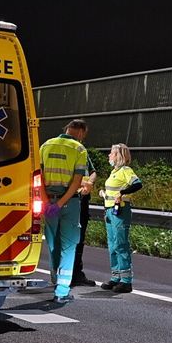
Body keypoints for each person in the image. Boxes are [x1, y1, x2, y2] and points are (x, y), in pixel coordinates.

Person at [39, 119, 91, 304]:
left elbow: (38, 176)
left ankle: (55, 280)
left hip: (48, 201)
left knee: (53, 243)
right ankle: (61, 291)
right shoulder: (79, 149)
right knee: (69, 246)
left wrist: (47, 202)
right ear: (81, 132)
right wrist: (60, 203)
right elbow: (77, 181)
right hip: (68, 202)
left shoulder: (46, 145)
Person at [100, 143, 143, 293]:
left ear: (119, 156)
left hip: (120, 211)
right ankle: (116, 277)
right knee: (112, 245)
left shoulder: (125, 170)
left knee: (120, 244)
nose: (109, 156)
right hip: (111, 211)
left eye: (112, 153)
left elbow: (138, 184)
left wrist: (123, 193)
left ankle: (126, 281)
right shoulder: (114, 172)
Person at [70, 150, 100, 288]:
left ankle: (75, 274)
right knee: (70, 240)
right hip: (70, 199)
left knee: (79, 239)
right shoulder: (69, 151)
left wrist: (89, 183)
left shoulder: (82, 152)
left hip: (82, 201)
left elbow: (93, 172)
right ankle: (69, 275)